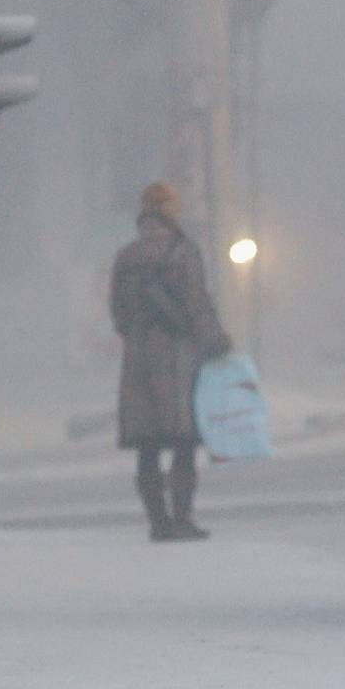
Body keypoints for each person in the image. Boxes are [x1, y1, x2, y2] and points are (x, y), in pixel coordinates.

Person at [110, 181, 230, 542]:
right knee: (182, 442)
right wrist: (216, 342)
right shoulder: (183, 253)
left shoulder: (127, 257)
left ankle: (157, 522)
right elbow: (197, 305)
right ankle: (182, 518)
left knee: (147, 444)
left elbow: (118, 314)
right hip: (177, 360)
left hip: (139, 361)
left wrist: (137, 335)